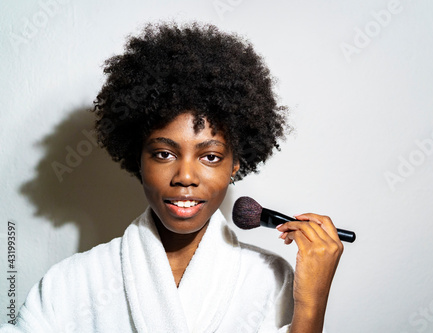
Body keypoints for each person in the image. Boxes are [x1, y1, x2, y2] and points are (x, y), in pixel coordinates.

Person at [1, 22, 343, 332]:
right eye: (164, 154)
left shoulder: (273, 280)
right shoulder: (70, 285)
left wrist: (311, 304)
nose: (185, 176)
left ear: (235, 164)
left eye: (210, 156)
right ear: (138, 157)